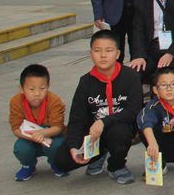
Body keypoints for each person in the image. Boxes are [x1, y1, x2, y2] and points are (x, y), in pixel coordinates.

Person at [52, 30, 142, 184]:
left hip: (121, 128)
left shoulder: (131, 76)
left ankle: (116, 165)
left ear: (118, 53)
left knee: (119, 132)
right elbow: (76, 119)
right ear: (91, 54)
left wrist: (104, 122)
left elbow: (133, 111)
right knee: (62, 161)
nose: (103, 55)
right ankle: (99, 155)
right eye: (97, 51)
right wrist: (74, 147)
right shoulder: (86, 82)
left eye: (109, 50)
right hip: (93, 134)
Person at [136, 67, 174, 178]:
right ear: (155, 90)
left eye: (173, 84)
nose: (169, 89)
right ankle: (160, 162)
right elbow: (145, 118)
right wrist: (152, 143)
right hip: (160, 146)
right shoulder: (154, 104)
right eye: (164, 85)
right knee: (145, 127)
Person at [9, 64, 67, 181]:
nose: (37, 93)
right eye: (31, 89)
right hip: (28, 136)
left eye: (42, 88)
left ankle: (56, 163)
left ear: (48, 86)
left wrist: (43, 133)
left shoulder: (54, 101)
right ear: (21, 88)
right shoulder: (16, 101)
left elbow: (58, 127)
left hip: (51, 135)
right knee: (21, 148)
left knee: (57, 145)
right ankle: (28, 165)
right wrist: (32, 136)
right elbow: (16, 128)